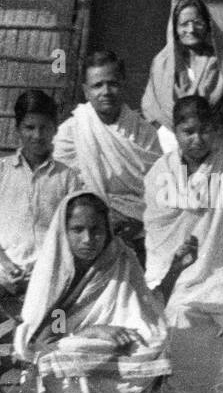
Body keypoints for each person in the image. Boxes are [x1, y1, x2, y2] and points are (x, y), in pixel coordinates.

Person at [13, 192, 180, 393]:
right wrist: (93, 331)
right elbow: (50, 332)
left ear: (108, 230)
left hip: (114, 340)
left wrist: (175, 270)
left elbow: (144, 307)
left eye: (96, 230)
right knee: (66, 354)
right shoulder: (57, 268)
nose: (88, 239)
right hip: (71, 342)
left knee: (153, 343)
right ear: (63, 231)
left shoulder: (121, 258)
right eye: (77, 230)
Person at [144, 94, 223, 393]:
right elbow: (157, 232)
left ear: (216, 130)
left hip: (220, 267)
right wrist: (171, 271)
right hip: (173, 271)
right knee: (176, 311)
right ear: (175, 131)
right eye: (188, 131)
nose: (197, 139)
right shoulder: (158, 172)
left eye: (205, 130)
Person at [0, 89, 78, 337]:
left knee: (58, 316)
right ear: (18, 129)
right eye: (29, 127)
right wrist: (6, 264)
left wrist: (48, 265)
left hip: (46, 271)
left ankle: (37, 364)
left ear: (55, 129)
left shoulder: (67, 177)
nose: (37, 135)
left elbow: (71, 232)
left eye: (44, 127)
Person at [53, 51, 161, 258]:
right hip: (86, 226)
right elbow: (61, 189)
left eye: (112, 83)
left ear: (123, 84)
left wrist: (134, 219)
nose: (106, 91)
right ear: (86, 91)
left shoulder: (144, 133)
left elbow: (157, 188)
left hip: (138, 225)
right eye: (97, 85)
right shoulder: (71, 131)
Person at [142, 0, 223, 155]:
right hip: (169, 145)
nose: (191, 29)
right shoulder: (162, 64)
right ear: (175, 28)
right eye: (184, 24)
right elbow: (152, 109)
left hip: (214, 144)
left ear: (208, 25)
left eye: (197, 22)